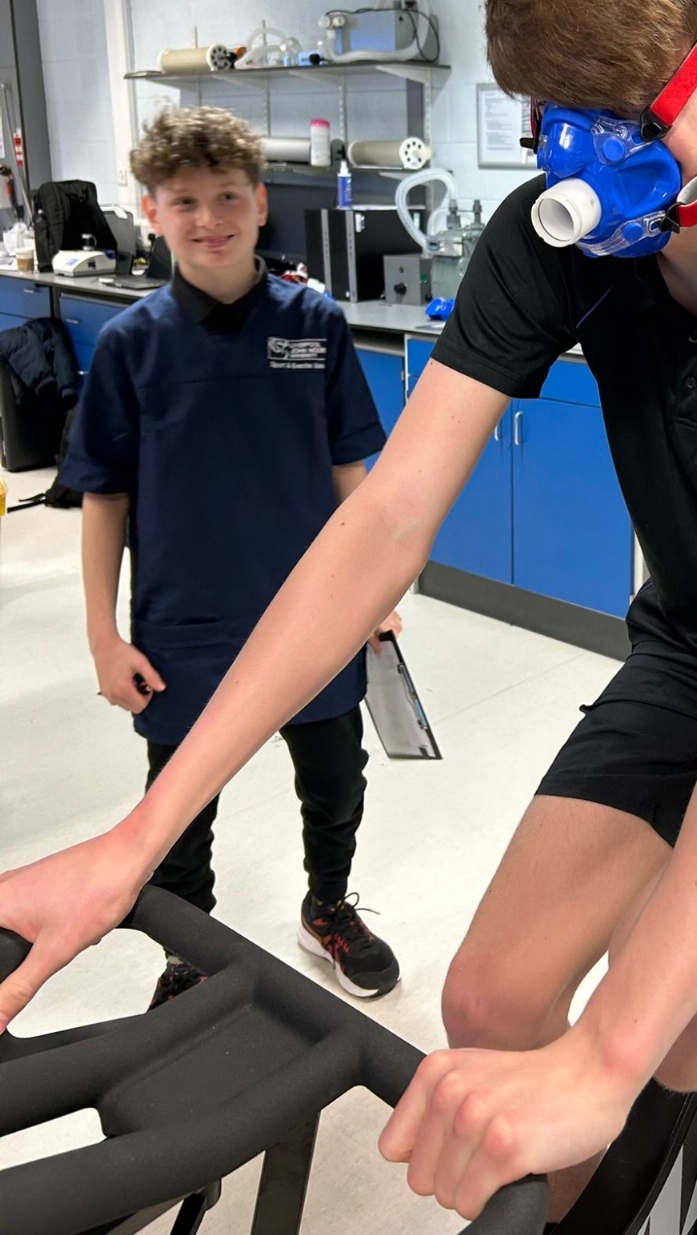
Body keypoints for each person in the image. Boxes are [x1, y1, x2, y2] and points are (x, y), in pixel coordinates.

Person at [0, 0, 697, 1235]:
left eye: (624, 120)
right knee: (489, 1000)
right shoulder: (560, 239)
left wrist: (611, 1053)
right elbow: (384, 521)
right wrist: (140, 835)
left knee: (690, 1019)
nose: (584, 169)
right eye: (552, 121)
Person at [57, 107, 401, 1005]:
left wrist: (375, 589)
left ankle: (329, 907)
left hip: (312, 614)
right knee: (179, 809)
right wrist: (102, 636)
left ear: (259, 203)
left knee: (335, 780)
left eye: (227, 198)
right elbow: (104, 497)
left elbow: (350, 470)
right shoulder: (131, 346)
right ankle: (188, 951)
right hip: (185, 626)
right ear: (150, 211)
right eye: (184, 201)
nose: (208, 219)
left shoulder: (313, 324)